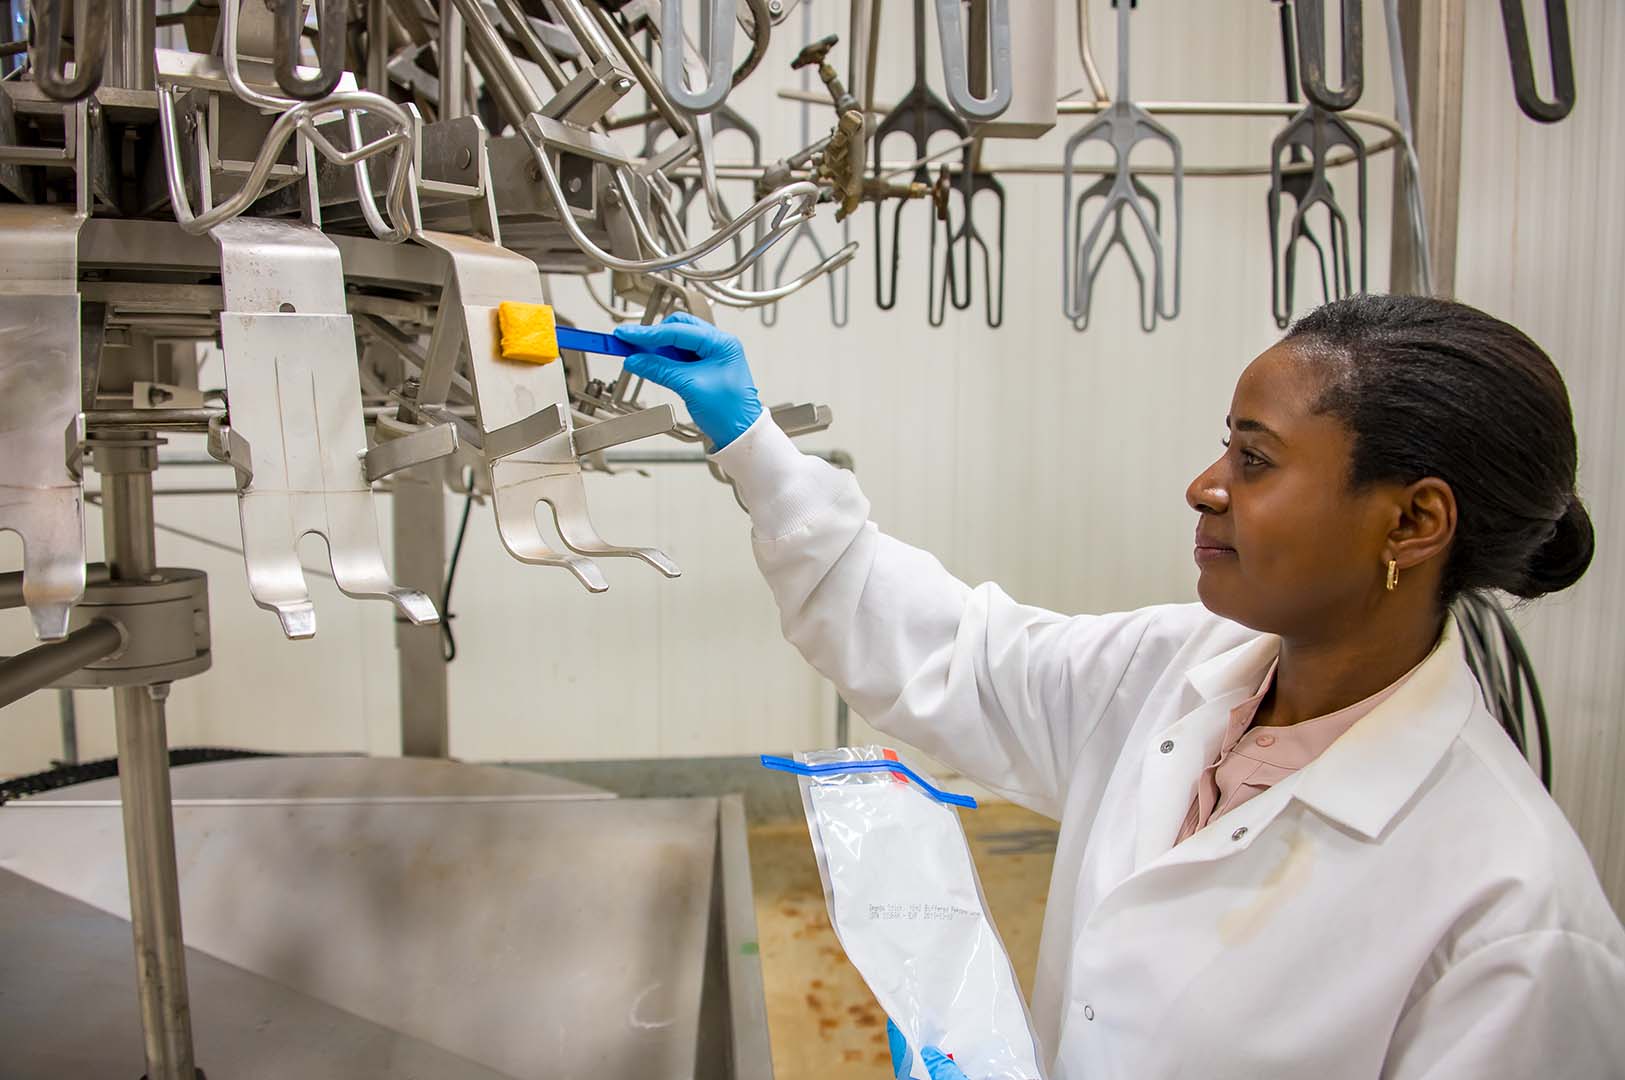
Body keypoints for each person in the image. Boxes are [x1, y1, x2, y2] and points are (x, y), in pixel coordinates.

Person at [614, 295, 1625, 1080]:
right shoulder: (1180, 670)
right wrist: (751, 445)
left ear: (1409, 523)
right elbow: (955, 655)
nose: (1204, 483)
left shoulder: (1514, 915)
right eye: (1225, 443)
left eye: (1254, 458)